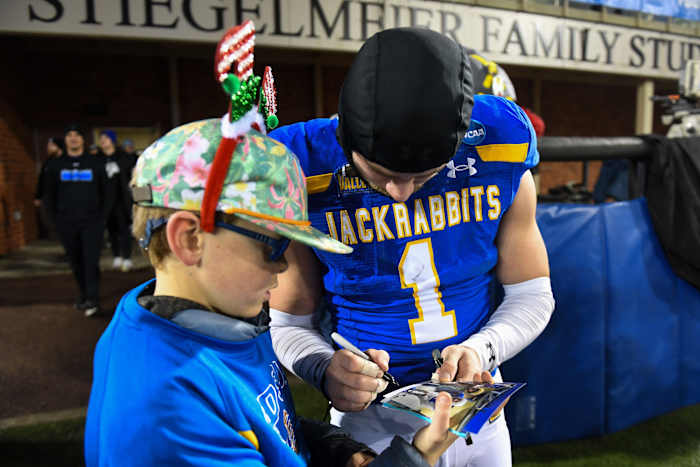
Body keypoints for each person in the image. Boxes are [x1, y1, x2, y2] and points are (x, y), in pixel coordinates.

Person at [84, 21, 461, 467]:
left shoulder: (215, 316)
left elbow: (264, 427)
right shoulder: (165, 405)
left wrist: (334, 449)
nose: (283, 268)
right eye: (272, 246)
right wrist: (415, 457)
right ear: (188, 238)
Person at [268, 27, 555, 467]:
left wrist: (482, 350)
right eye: (380, 172)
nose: (400, 193)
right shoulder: (303, 164)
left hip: (475, 411)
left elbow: (533, 293)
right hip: (369, 420)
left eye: (424, 177)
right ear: (346, 138)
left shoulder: (498, 140)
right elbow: (287, 320)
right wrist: (323, 370)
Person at [44, 124, 107, 317]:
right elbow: (49, 195)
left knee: (90, 260)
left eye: (77, 135)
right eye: (69, 135)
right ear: (65, 139)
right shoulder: (55, 165)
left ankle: (93, 299)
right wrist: (54, 220)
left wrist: (102, 217)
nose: (73, 138)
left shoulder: (95, 163)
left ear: (82, 140)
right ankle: (83, 294)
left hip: (92, 222)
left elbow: (106, 191)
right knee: (76, 261)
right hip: (66, 222)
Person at [99, 129, 135, 271]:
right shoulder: (99, 159)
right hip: (106, 202)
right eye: (101, 138)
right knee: (112, 230)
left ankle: (127, 257)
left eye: (105, 138)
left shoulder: (123, 157)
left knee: (124, 230)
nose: (102, 141)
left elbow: (131, 178)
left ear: (112, 140)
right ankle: (116, 256)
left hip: (121, 201)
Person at [34, 136, 64, 239]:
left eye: (51, 145)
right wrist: (38, 196)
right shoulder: (47, 162)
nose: (48, 147)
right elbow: (41, 180)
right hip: (48, 198)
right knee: (51, 223)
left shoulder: (65, 161)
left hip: (62, 198)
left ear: (58, 146)